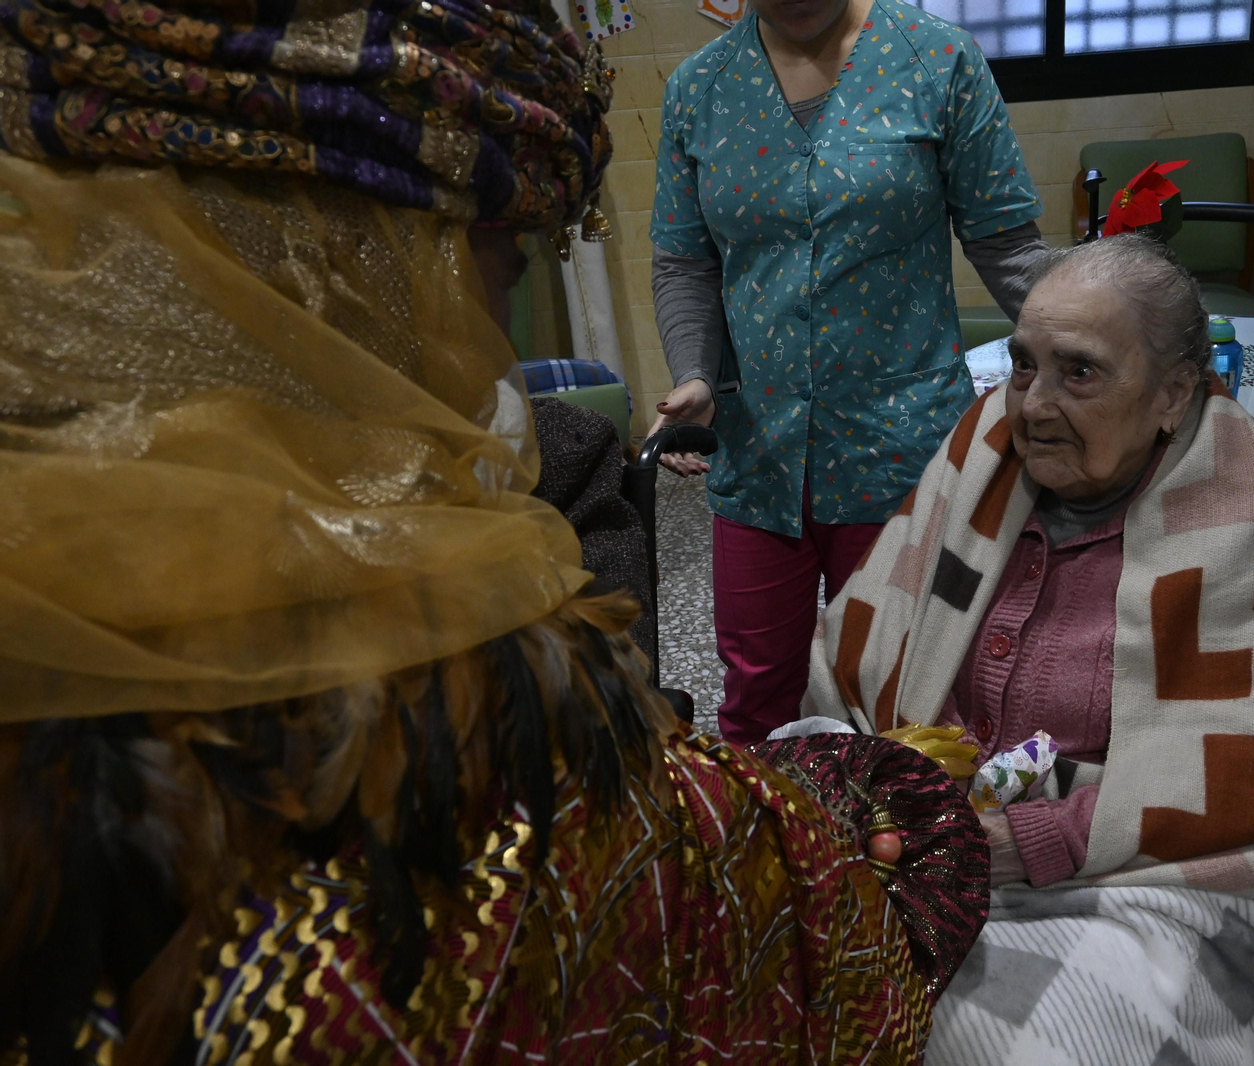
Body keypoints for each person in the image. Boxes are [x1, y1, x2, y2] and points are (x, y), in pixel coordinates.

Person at [0, 1, 988, 1062]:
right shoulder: (489, 729)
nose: (490, 354)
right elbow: (769, 930)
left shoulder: (932, 61)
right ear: (344, 271)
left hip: (894, 440)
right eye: (505, 269)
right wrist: (901, 804)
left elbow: (1001, 231)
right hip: (767, 473)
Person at [800, 237, 1254, 1066]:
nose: (1032, 406)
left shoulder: (1235, 495)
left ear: (1172, 392)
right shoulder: (984, 447)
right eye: (1024, 365)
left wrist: (1024, 843)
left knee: (998, 1045)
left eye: (1080, 372)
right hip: (939, 817)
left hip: (1158, 866)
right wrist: (912, 794)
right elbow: (866, 652)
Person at [647, 0, 1049, 744]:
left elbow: (1008, 248)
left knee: (908, 693)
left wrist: (1108, 339)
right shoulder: (699, 88)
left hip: (903, 451)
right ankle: (772, 851)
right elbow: (684, 262)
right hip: (760, 456)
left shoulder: (939, 60)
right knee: (757, 695)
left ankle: (910, 849)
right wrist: (695, 374)